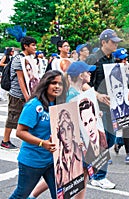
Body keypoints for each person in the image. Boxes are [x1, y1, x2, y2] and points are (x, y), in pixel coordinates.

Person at [28, 61, 96, 199]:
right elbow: (69, 119)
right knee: (80, 173)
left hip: (81, 139)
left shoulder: (79, 92)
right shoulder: (72, 94)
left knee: (75, 174)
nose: (90, 73)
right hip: (77, 140)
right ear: (81, 75)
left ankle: (32, 195)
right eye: (87, 71)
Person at [9, 70, 67, 199]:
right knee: (21, 194)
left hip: (54, 160)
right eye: (53, 83)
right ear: (45, 84)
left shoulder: (60, 103)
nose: (57, 86)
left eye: (60, 84)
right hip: (32, 161)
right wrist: (42, 143)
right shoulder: (34, 105)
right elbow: (20, 132)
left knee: (61, 194)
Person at [85, 28, 122, 189]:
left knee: (110, 139)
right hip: (96, 106)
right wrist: (97, 95)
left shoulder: (112, 58)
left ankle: (91, 170)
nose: (115, 44)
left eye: (116, 42)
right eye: (113, 42)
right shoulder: (93, 58)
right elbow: (81, 81)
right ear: (104, 42)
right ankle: (99, 176)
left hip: (111, 105)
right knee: (103, 141)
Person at [0, 36, 37, 150]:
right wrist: (27, 97)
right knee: (13, 117)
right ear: (25, 46)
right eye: (33, 45)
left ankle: (30, 140)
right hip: (16, 94)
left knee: (27, 117)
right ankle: (5, 141)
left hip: (26, 94)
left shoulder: (29, 58)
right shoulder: (18, 59)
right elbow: (20, 79)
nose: (35, 47)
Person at [55, 109, 83, 188]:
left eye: (68, 129)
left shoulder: (80, 154)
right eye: (62, 131)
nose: (66, 136)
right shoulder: (59, 163)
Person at [79, 98, 108, 163]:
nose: (89, 129)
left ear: (95, 118)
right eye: (85, 124)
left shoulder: (103, 137)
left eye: (90, 120)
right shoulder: (85, 148)